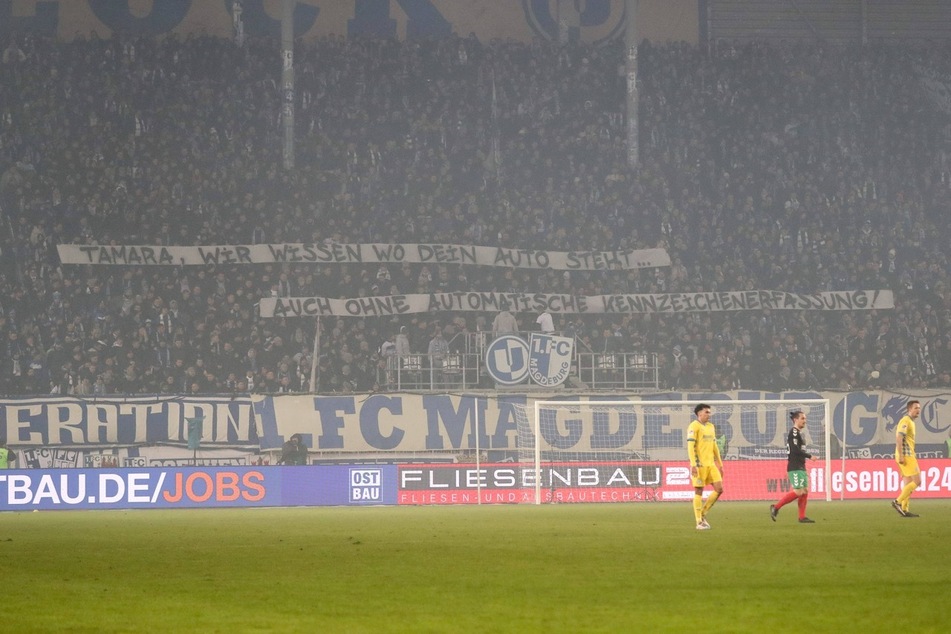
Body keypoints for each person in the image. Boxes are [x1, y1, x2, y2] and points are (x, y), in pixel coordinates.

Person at [769, 410, 816, 523]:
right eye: (802, 418)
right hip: (795, 466)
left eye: (805, 418)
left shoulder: (798, 433)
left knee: (804, 491)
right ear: (796, 420)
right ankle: (776, 507)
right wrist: (809, 456)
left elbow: (792, 452)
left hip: (799, 466)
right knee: (799, 491)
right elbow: (794, 450)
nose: (805, 421)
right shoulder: (794, 433)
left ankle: (802, 517)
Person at [686, 403, 724, 530]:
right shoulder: (693, 426)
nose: (709, 414)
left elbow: (714, 446)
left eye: (709, 412)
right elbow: (691, 447)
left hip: (711, 465)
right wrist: (693, 465)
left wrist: (720, 464)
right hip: (699, 464)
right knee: (698, 491)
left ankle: (702, 514)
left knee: (719, 489)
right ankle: (698, 522)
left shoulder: (711, 427)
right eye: (707, 412)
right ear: (699, 413)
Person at [892, 400, 921, 517]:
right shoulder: (906, 421)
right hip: (906, 455)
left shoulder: (911, 422)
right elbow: (899, 437)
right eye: (915, 408)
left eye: (919, 408)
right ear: (909, 409)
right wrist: (901, 455)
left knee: (908, 484)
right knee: (918, 481)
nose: (918, 410)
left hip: (906, 454)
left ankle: (904, 509)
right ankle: (897, 502)